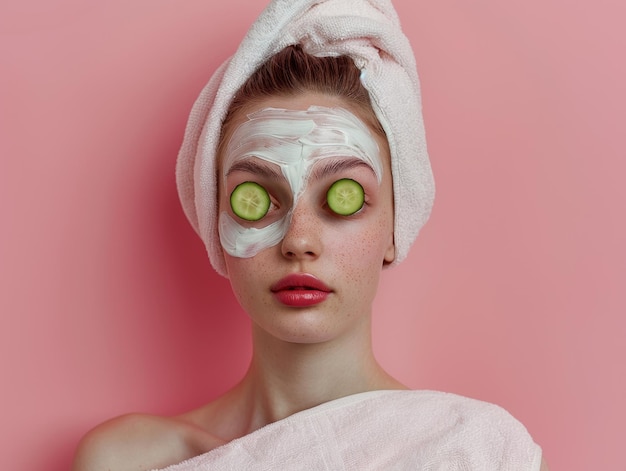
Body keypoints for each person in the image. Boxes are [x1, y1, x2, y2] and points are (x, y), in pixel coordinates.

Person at [72, 1, 548, 469]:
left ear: (394, 228)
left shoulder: (481, 452)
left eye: (343, 198)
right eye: (256, 197)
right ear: (216, 222)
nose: (299, 240)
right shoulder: (127, 460)